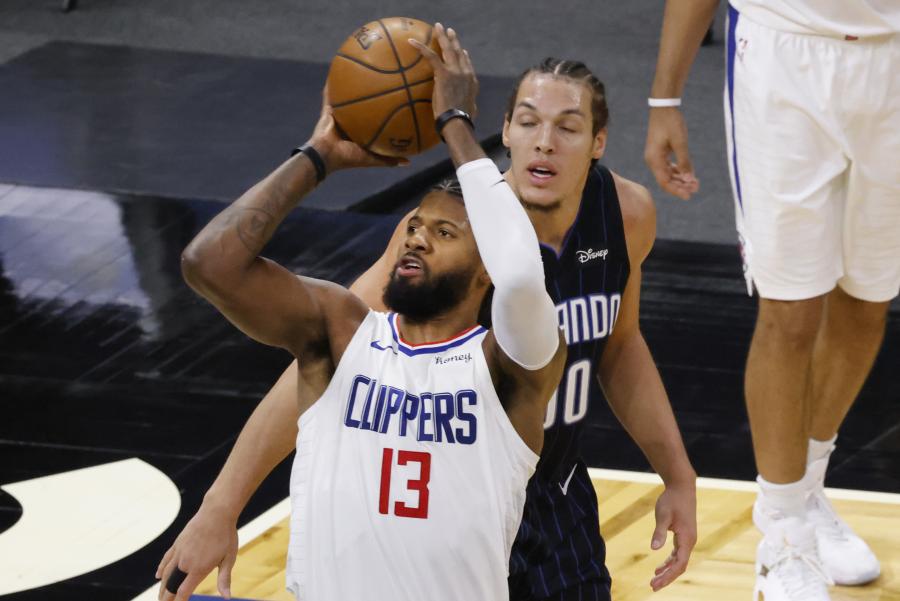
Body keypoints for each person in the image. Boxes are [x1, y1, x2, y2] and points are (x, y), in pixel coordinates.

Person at [158, 37, 699, 601]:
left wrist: (678, 475)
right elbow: (331, 363)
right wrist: (222, 505)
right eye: (529, 122)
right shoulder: (450, 233)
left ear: (597, 142)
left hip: (555, 494)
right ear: (505, 132)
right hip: (453, 496)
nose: (545, 143)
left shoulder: (627, 215)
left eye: (567, 127)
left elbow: (619, 343)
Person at [644, 1, 898, 600]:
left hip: (890, 56)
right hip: (785, 55)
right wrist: (664, 99)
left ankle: (805, 494)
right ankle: (782, 535)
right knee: (791, 309)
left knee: (867, 302)